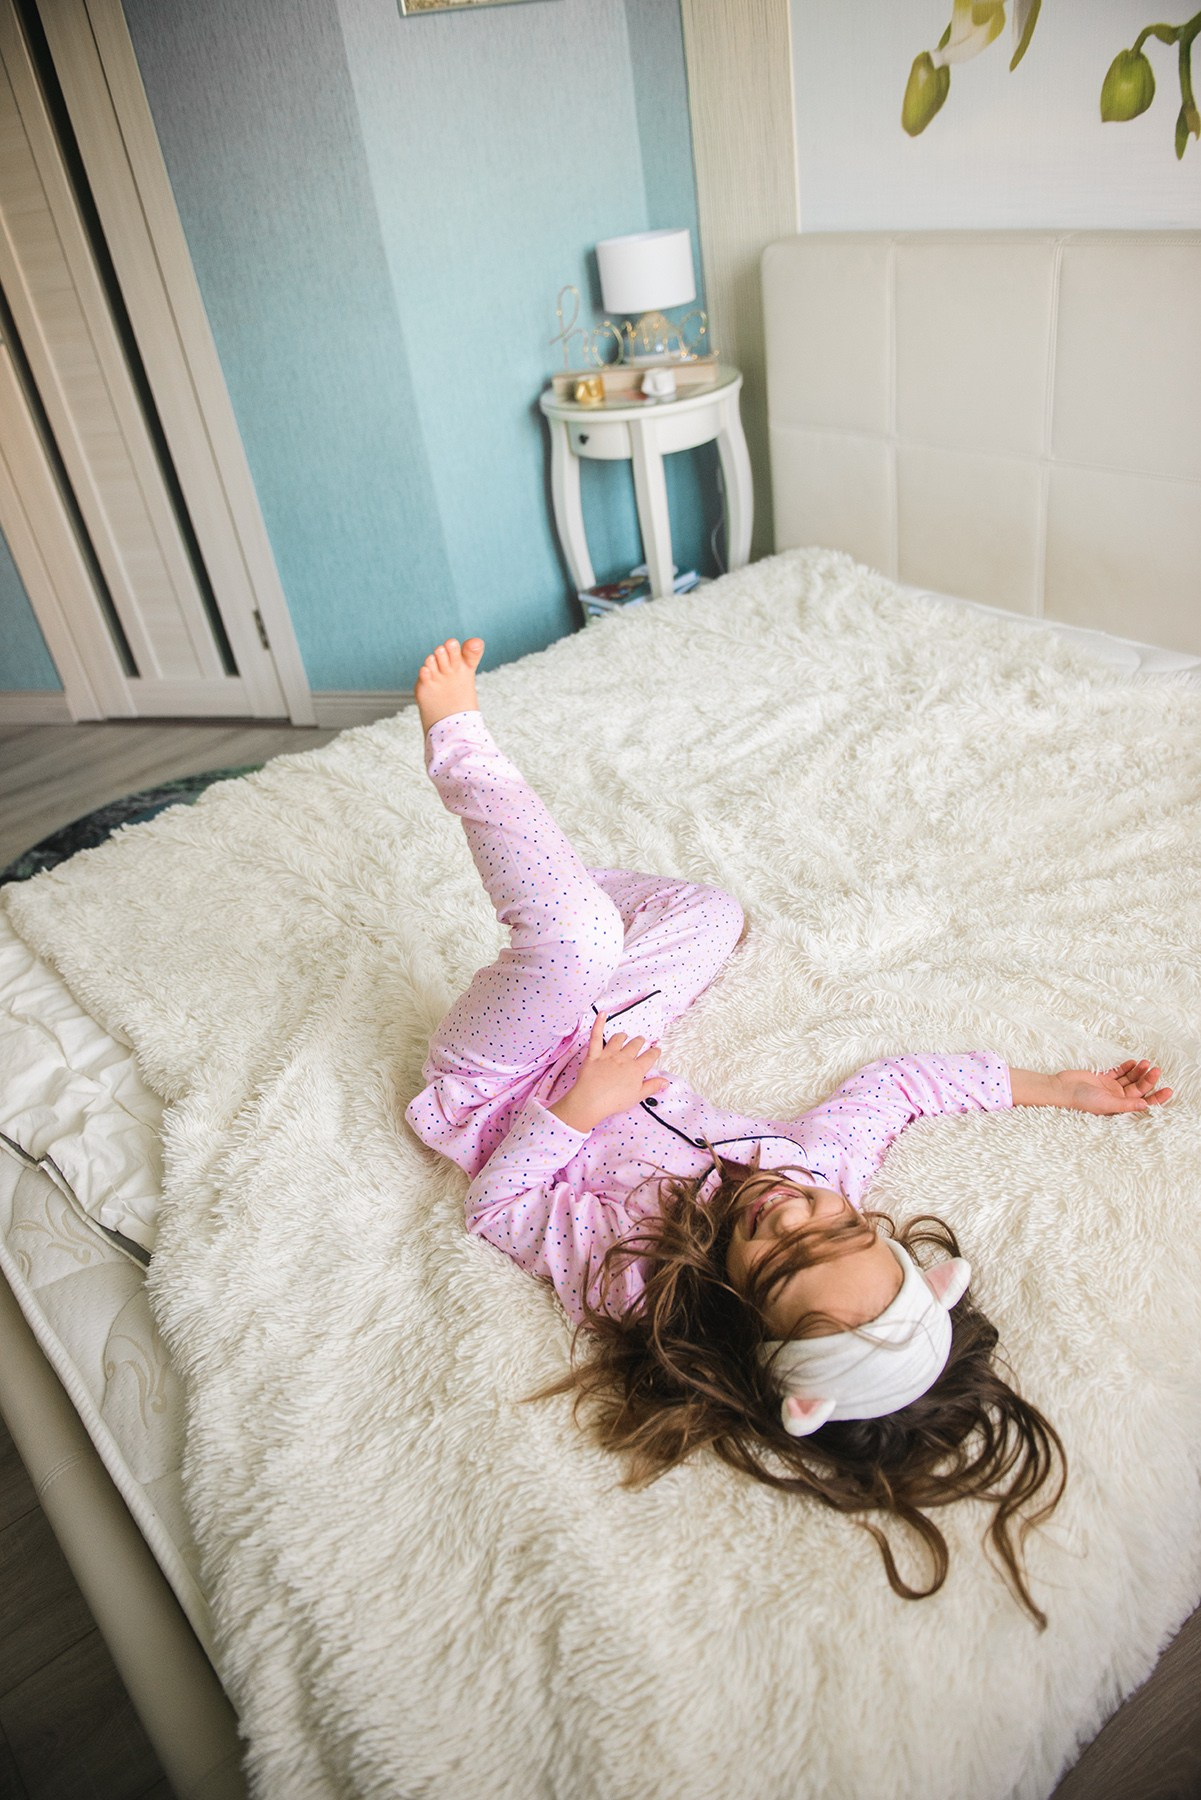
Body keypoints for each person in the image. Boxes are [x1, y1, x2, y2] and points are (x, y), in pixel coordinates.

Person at [405, 636, 1172, 1625]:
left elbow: (496, 1206)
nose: (790, 1210)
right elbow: (899, 1088)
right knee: (706, 914)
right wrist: (1059, 1090)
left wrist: (575, 1110)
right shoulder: (819, 1172)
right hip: (613, 1034)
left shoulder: (639, 1276)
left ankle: (465, 756)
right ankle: (542, 883)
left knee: (578, 942)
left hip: (501, 1081)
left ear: (741, 1317)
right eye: (840, 1227)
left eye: (777, 1260)